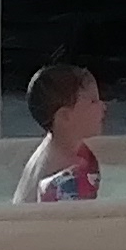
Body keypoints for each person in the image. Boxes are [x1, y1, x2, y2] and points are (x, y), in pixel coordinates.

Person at [12, 60, 106, 202]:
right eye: (93, 101)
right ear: (65, 116)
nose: (103, 106)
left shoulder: (62, 148)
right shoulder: (62, 173)